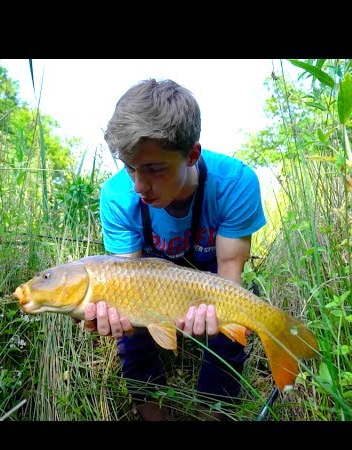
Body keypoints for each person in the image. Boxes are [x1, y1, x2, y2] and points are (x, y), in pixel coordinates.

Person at [83, 78, 266, 421]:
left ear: (191, 155)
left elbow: (229, 279)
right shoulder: (117, 196)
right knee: (130, 333)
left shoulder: (236, 183)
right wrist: (120, 316)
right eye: (130, 167)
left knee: (232, 316)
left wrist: (217, 313)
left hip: (211, 280)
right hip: (151, 284)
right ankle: (153, 414)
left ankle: (213, 412)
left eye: (154, 170)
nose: (139, 186)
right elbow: (128, 285)